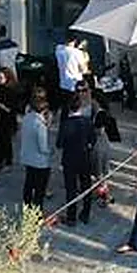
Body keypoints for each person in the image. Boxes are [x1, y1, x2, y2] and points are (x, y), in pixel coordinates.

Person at [58, 92, 96, 225]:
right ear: (80, 107)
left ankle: (71, 217)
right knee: (86, 186)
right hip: (85, 158)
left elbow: (59, 144)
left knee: (71, 189)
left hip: (69, 159)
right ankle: (86, 214)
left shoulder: (65, 124)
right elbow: (93, 139)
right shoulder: (87, 122)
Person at [19, 91, 53, 207]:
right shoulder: (40, 125)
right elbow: (43, 147)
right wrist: (51, 151)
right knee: (39, 189)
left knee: (28, 183)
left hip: (27, 158)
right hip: (40, 162)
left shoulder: (26, 118)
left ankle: (26, 205)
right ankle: (37, 211)